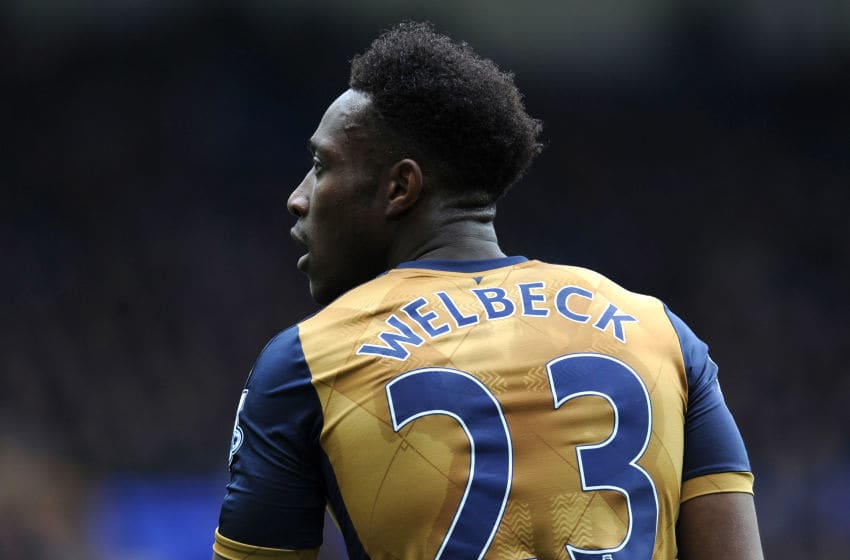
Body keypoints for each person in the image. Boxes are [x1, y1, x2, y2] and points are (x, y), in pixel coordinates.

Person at [212, 22, 763, 560]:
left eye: (319, 165)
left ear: (400, 187)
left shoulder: (307, 362)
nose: (298, 197)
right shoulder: (662, 334)